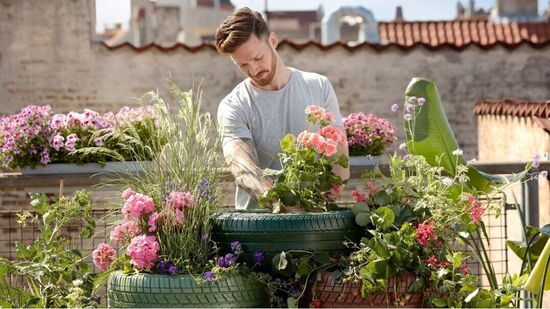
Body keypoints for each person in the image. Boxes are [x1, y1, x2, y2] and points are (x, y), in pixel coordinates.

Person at [215, 7, 349, 210]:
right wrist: (286, 209)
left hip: (314, 224)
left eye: (258, 58)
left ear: (273, 41)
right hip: (258, 228)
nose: (253, 70)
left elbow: (339, 161)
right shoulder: (233, 105)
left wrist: (318, 208)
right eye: (242, 65)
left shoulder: (319, 87)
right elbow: (242, 168)